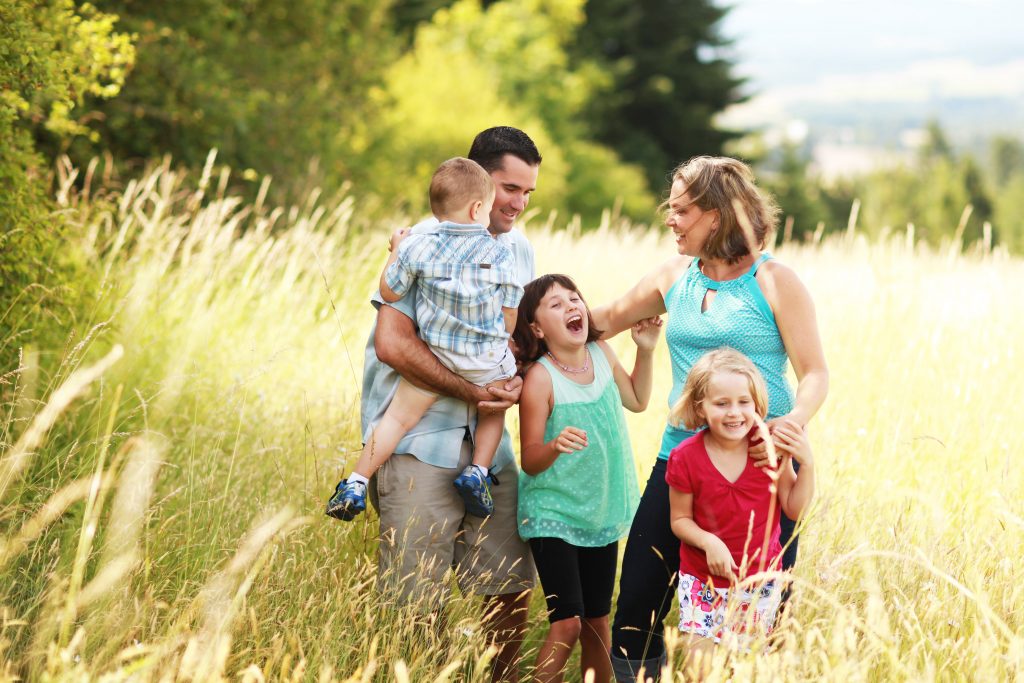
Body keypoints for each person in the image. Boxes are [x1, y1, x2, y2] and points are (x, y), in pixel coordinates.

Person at [590, 156, 829, 681]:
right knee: (638, 605)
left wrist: (792, 426)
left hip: (762, 468)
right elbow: (600, 322)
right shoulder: (673, 276)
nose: (670, 220)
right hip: (680, 459)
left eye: (680, 211)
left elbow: (814, 373)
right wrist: (531, 315)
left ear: (715, 216)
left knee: (760, 616)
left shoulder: (773, 282)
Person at [357, 126, 542, 682]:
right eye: (511, 188)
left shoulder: (518, 249)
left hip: (490, 446)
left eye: (529, 193)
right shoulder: (421, 243)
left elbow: (511, 339)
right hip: (418, 441)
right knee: (417, 600)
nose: (519, 204)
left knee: (509, 582)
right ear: (480, 183)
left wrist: (520, 377)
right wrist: (475, 391)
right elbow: (394, 345)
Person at [326, 157, 521, 520]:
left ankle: (355, 480)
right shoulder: (501, 252)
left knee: (396, 420)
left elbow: (391, 291)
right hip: (484, 359)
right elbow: (509, 317)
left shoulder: (417, 246)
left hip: (437, 356)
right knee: (495, 408)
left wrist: (397, 249)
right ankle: (478, 472)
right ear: (478, 208)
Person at [513, 274, 661, 683]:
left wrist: (645, 351)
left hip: (599, 511)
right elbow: (530, 460)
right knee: (568, 624)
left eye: (573, 299)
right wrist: (555, 444)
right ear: (538, 329)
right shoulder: (540, 378)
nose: (570, 307)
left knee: (598, 621)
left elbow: (637, 400)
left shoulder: (600, 352)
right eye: (555, 305)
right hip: (554, 512)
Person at [666, 348, 814, 675]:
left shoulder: (768, 450)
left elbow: (794, 508)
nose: (735, 413)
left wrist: (808, 464)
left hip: (758, 583)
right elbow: (679, 520)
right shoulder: (685, 457)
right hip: (702, 581)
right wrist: (708, 542)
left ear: (758, 405)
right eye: (722, 404)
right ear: (699, 407)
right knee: (699, 672)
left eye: (744, 402)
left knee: (742, 671)